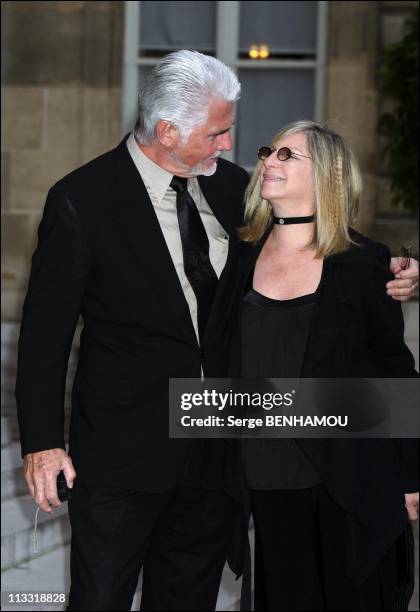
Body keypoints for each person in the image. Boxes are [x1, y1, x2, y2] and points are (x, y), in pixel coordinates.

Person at [15, 49, 417, 611]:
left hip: (217, 450)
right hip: (123, 454)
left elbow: (317, 233)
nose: (229, 145)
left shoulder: (234, 191)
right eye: (217, 132)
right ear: (167, 131)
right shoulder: (83, 200)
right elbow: (44, 335)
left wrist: (393, 269)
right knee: (99, 599)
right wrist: (42, 445)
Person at [225, 120, 419, 611]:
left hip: (348, 478)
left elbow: (394, 373)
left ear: (326, 176)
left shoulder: (363, 263)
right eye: (270, 151)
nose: (269, 161)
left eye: (288, 156)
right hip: (266, 478)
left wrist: (412, 474)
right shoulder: (239, 256)